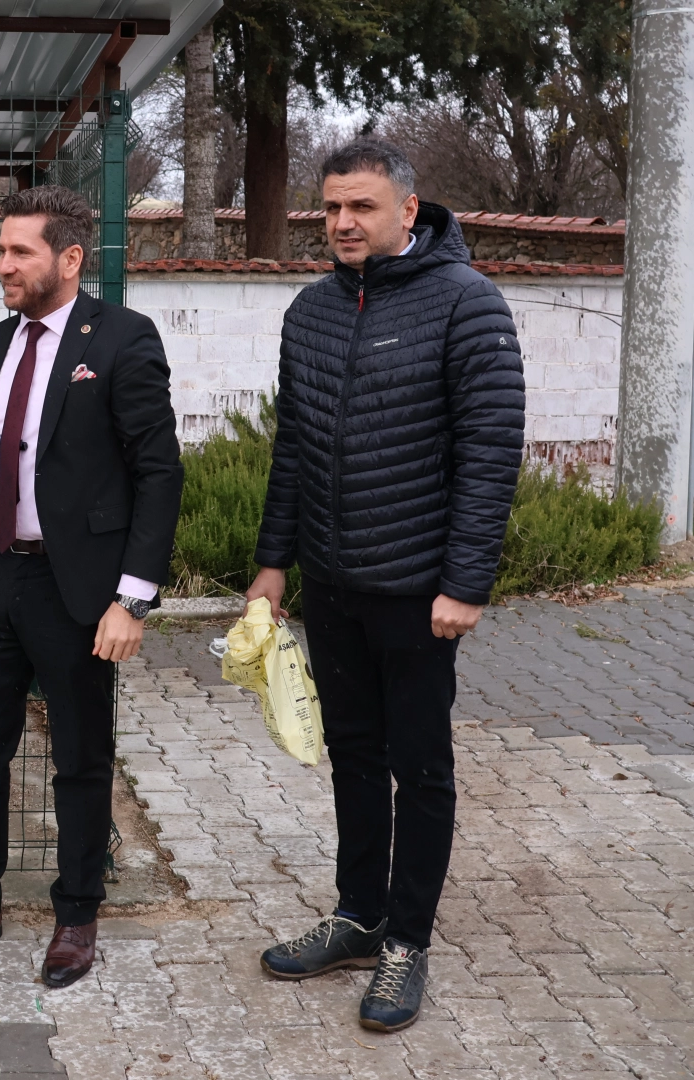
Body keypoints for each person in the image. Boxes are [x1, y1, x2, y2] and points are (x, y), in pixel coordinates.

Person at [246, 140, 525, 1032]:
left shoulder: (467, 305)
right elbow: (292, 449)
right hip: (330, 585)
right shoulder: (312, 309)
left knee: (420, 768)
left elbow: (490, 455)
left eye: (359, 207)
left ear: (409, 210)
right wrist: (272, 562)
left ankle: (407, 941)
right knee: (354, 759)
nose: (340, 224)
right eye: (329, 208)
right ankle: (359, 917)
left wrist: (464, 583)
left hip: (416, 593)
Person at [0, 186, 183, 988]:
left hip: (77, 589)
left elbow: (157, 473)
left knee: (81, 759)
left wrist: (132, 597)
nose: (3, 265)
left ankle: (76, 913)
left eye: (20, 251)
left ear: (69, 258)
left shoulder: (122, 339)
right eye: (0, 251)